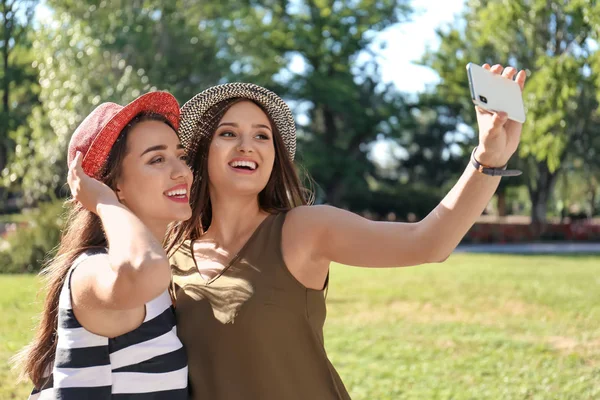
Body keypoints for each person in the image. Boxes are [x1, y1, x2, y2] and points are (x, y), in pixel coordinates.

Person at [168, 64, 527, 400]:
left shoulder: (305, 229)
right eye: (228, 133)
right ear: (201, 151)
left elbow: (429, 242)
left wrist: (487, 160)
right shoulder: (172, 253)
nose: (247, 145)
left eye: (262, 136)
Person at [13, 92, 192, 399]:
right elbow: (143, 269)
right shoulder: (94, 270)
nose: (182, 172)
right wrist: (104, 202)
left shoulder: (144, 275)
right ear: (115, 184)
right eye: (157, 159)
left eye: (181, 156)